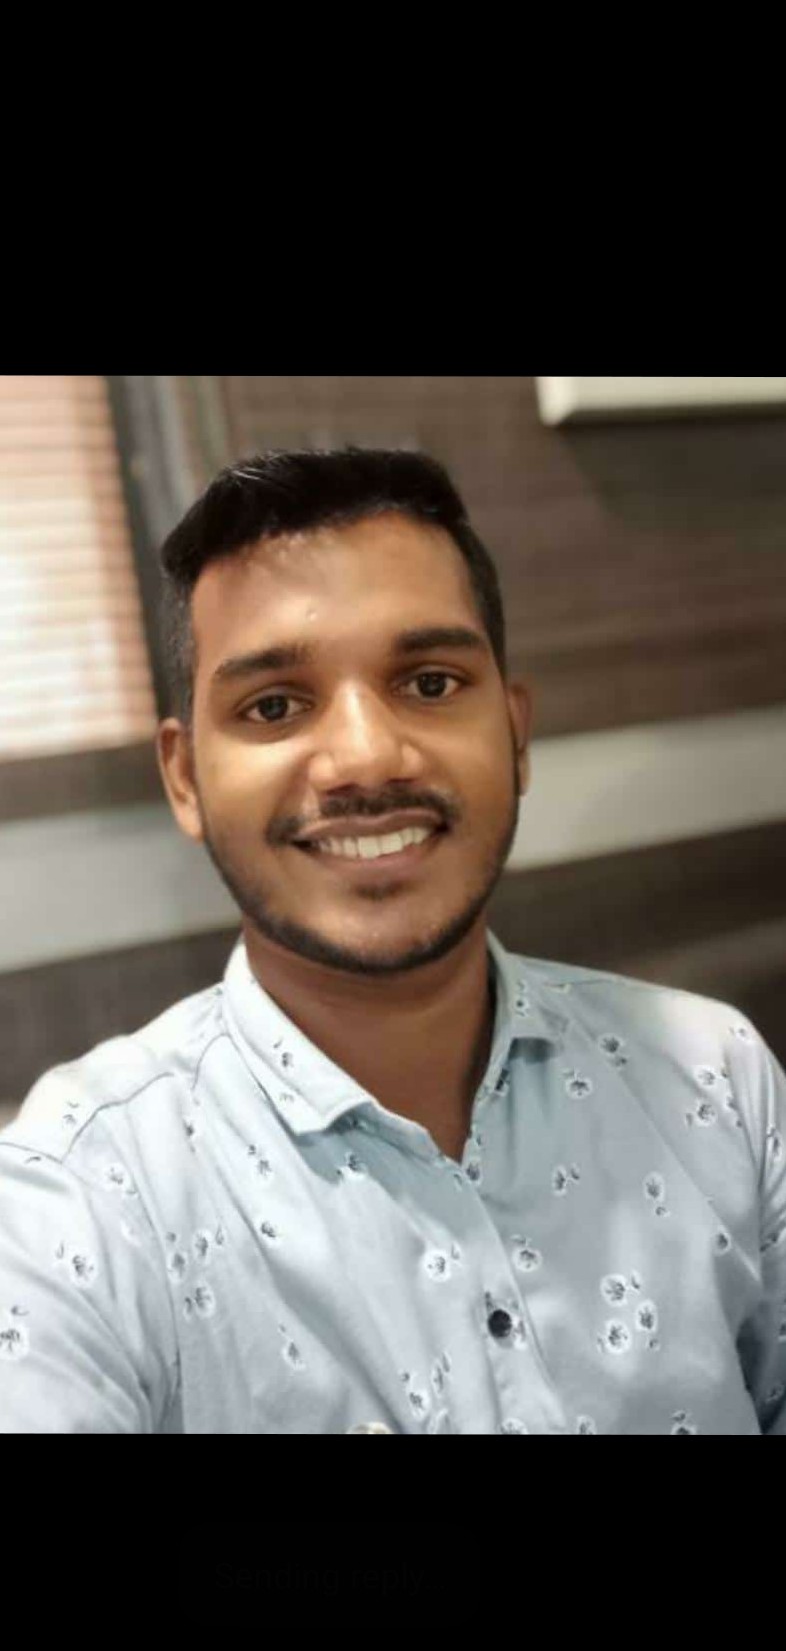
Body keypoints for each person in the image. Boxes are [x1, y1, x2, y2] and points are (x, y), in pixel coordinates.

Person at [1, 447, 784, 1435]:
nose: (368, 757)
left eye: (429, 681)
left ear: (515, 734)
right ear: (186, 778)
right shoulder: (77, 1199)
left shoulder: (717, 1078)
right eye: (274, 705)